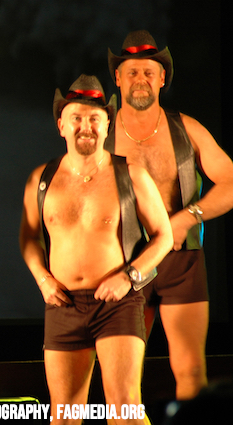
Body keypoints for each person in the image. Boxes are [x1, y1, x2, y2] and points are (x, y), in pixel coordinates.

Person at [19, 74, 173, 425]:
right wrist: (42, 279)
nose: (85, 126)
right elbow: (29, 238)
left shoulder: (130, 174)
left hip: (118, 304)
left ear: (107, 125)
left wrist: (129, 276)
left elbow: (163, 236)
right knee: (64, 416)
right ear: (61, 125)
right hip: (63, 306)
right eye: (76, 117)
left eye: (94, 118)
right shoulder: (41, 179)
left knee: (125, 409)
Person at [106, 30, 233, 400]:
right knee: (122, 380)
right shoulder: (102, 134)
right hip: (126, 262)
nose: (140, 79)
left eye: (149, 72)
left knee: (191, 371)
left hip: (182, 263)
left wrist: (187, 217)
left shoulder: (185, 128)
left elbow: (230, 182)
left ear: (162, 78)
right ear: (117, 78)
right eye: (132, 72)